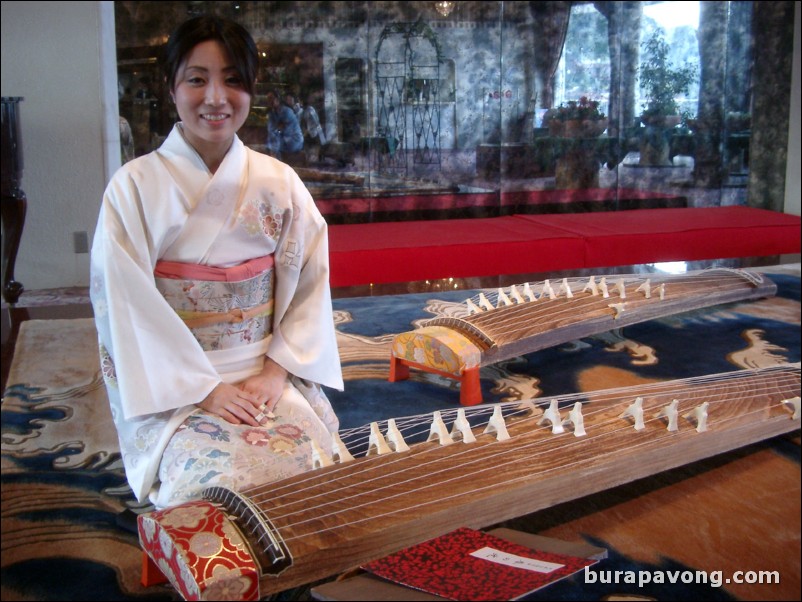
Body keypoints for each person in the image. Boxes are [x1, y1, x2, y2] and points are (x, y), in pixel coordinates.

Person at [89, 15, 343, 510]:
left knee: (316, 473)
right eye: (197, 79)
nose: (215, 97)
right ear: (172, 88)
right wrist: (204, 390)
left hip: (264, 375)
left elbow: (310, 280)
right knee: (219, 486)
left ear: (251, 90)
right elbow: (124, 301)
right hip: (174, 385)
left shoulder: (278, 181)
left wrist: (274, 373)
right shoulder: (133, 187)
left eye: (232, 80)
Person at [265, 88, 304, 163]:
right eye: (268, 99)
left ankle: (277, 166)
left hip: (294, 140)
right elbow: (271, 130)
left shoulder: (287, 112)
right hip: (282, 139)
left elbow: (285, 131)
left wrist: (277, 131)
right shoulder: (271, 114)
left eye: (272, 98)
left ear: (278, 99)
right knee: (270, 144)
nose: (270, 101)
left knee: (274, 144)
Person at [300, 92, 327, 163]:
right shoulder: (304, 110)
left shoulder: (310, 109)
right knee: (309, 147)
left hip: (314, 131)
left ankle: (319, 159)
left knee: (317, 146)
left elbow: (315, 122)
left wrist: (308, 130)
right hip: (310, 132)